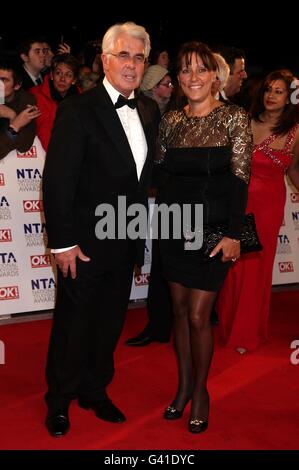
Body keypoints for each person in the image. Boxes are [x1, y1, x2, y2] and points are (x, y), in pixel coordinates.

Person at [42, 21, 160, 437]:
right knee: (73, 324)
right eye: (123, 55)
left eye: (139, 56)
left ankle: (95, 390)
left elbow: (143, 178)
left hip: (124, 241)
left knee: (110, 322)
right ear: (105, 60)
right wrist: (63, 244)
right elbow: (58, 181)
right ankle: (59, 400)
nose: (131, 64)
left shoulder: (148, 109)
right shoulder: (78, 109)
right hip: (84, 245)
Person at [156, 41, 252, 433]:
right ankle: (181, 387)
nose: (192, 77)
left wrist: (233, 235)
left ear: (215, 76)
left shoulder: (234, 118)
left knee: (198, 315)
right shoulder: (171, 121)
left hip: (215, 231)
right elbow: (159, 176)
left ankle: (200, 392)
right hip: (174, 226)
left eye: (200, 69)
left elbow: (240, 180)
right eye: (185, 70)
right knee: (178, 311)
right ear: (178, 78)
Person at [217, 69, 299, 353]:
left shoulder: (296, 131)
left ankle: (246, 333)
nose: (271, 96)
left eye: (279, 91)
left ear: (289, 97)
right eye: (268, 90)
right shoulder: (243, 121)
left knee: (255, 270)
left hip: (268, 208)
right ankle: (228, 327)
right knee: (233, 267)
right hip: (236, 203)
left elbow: (295, 170)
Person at [126, 64, 174, 347]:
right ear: (150, 86)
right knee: (153, 261)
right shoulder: (139, 111)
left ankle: (168, 324)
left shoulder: (177, 113)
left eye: (171, 83)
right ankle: (158, 326)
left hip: (175, 197)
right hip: (141, 197)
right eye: (163, 84)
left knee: (171, 263)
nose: (169, 89)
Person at [30, 53, 80, 151]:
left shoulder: (81, 98)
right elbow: (45, 131)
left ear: (74, 80)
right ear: (52, 75)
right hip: (46, 156)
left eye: (68, 75)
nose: (62, 79)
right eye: (58, 73)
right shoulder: (35, 95)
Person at [0, 59, 40, 160]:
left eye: (4, 80)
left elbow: (23, 146)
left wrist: (13, 117)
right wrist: (16, 124)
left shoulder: (26, 100)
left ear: (17, 85)